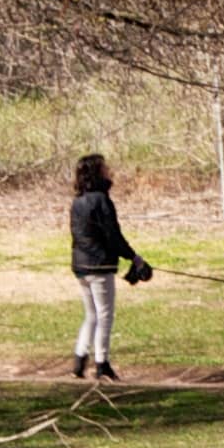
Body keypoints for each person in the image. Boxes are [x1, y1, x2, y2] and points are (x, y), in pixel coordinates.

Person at [68, 151, 149, 380]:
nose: (108, 170)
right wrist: (134, 258)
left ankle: (79, 362)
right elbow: (113, 235)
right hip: (99, 267)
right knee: (105, 316)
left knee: (91, 315)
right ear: (96, 172)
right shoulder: (102, 200)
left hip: (81, 267)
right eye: (104, 167)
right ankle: (102, 364)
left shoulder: (77, 202)